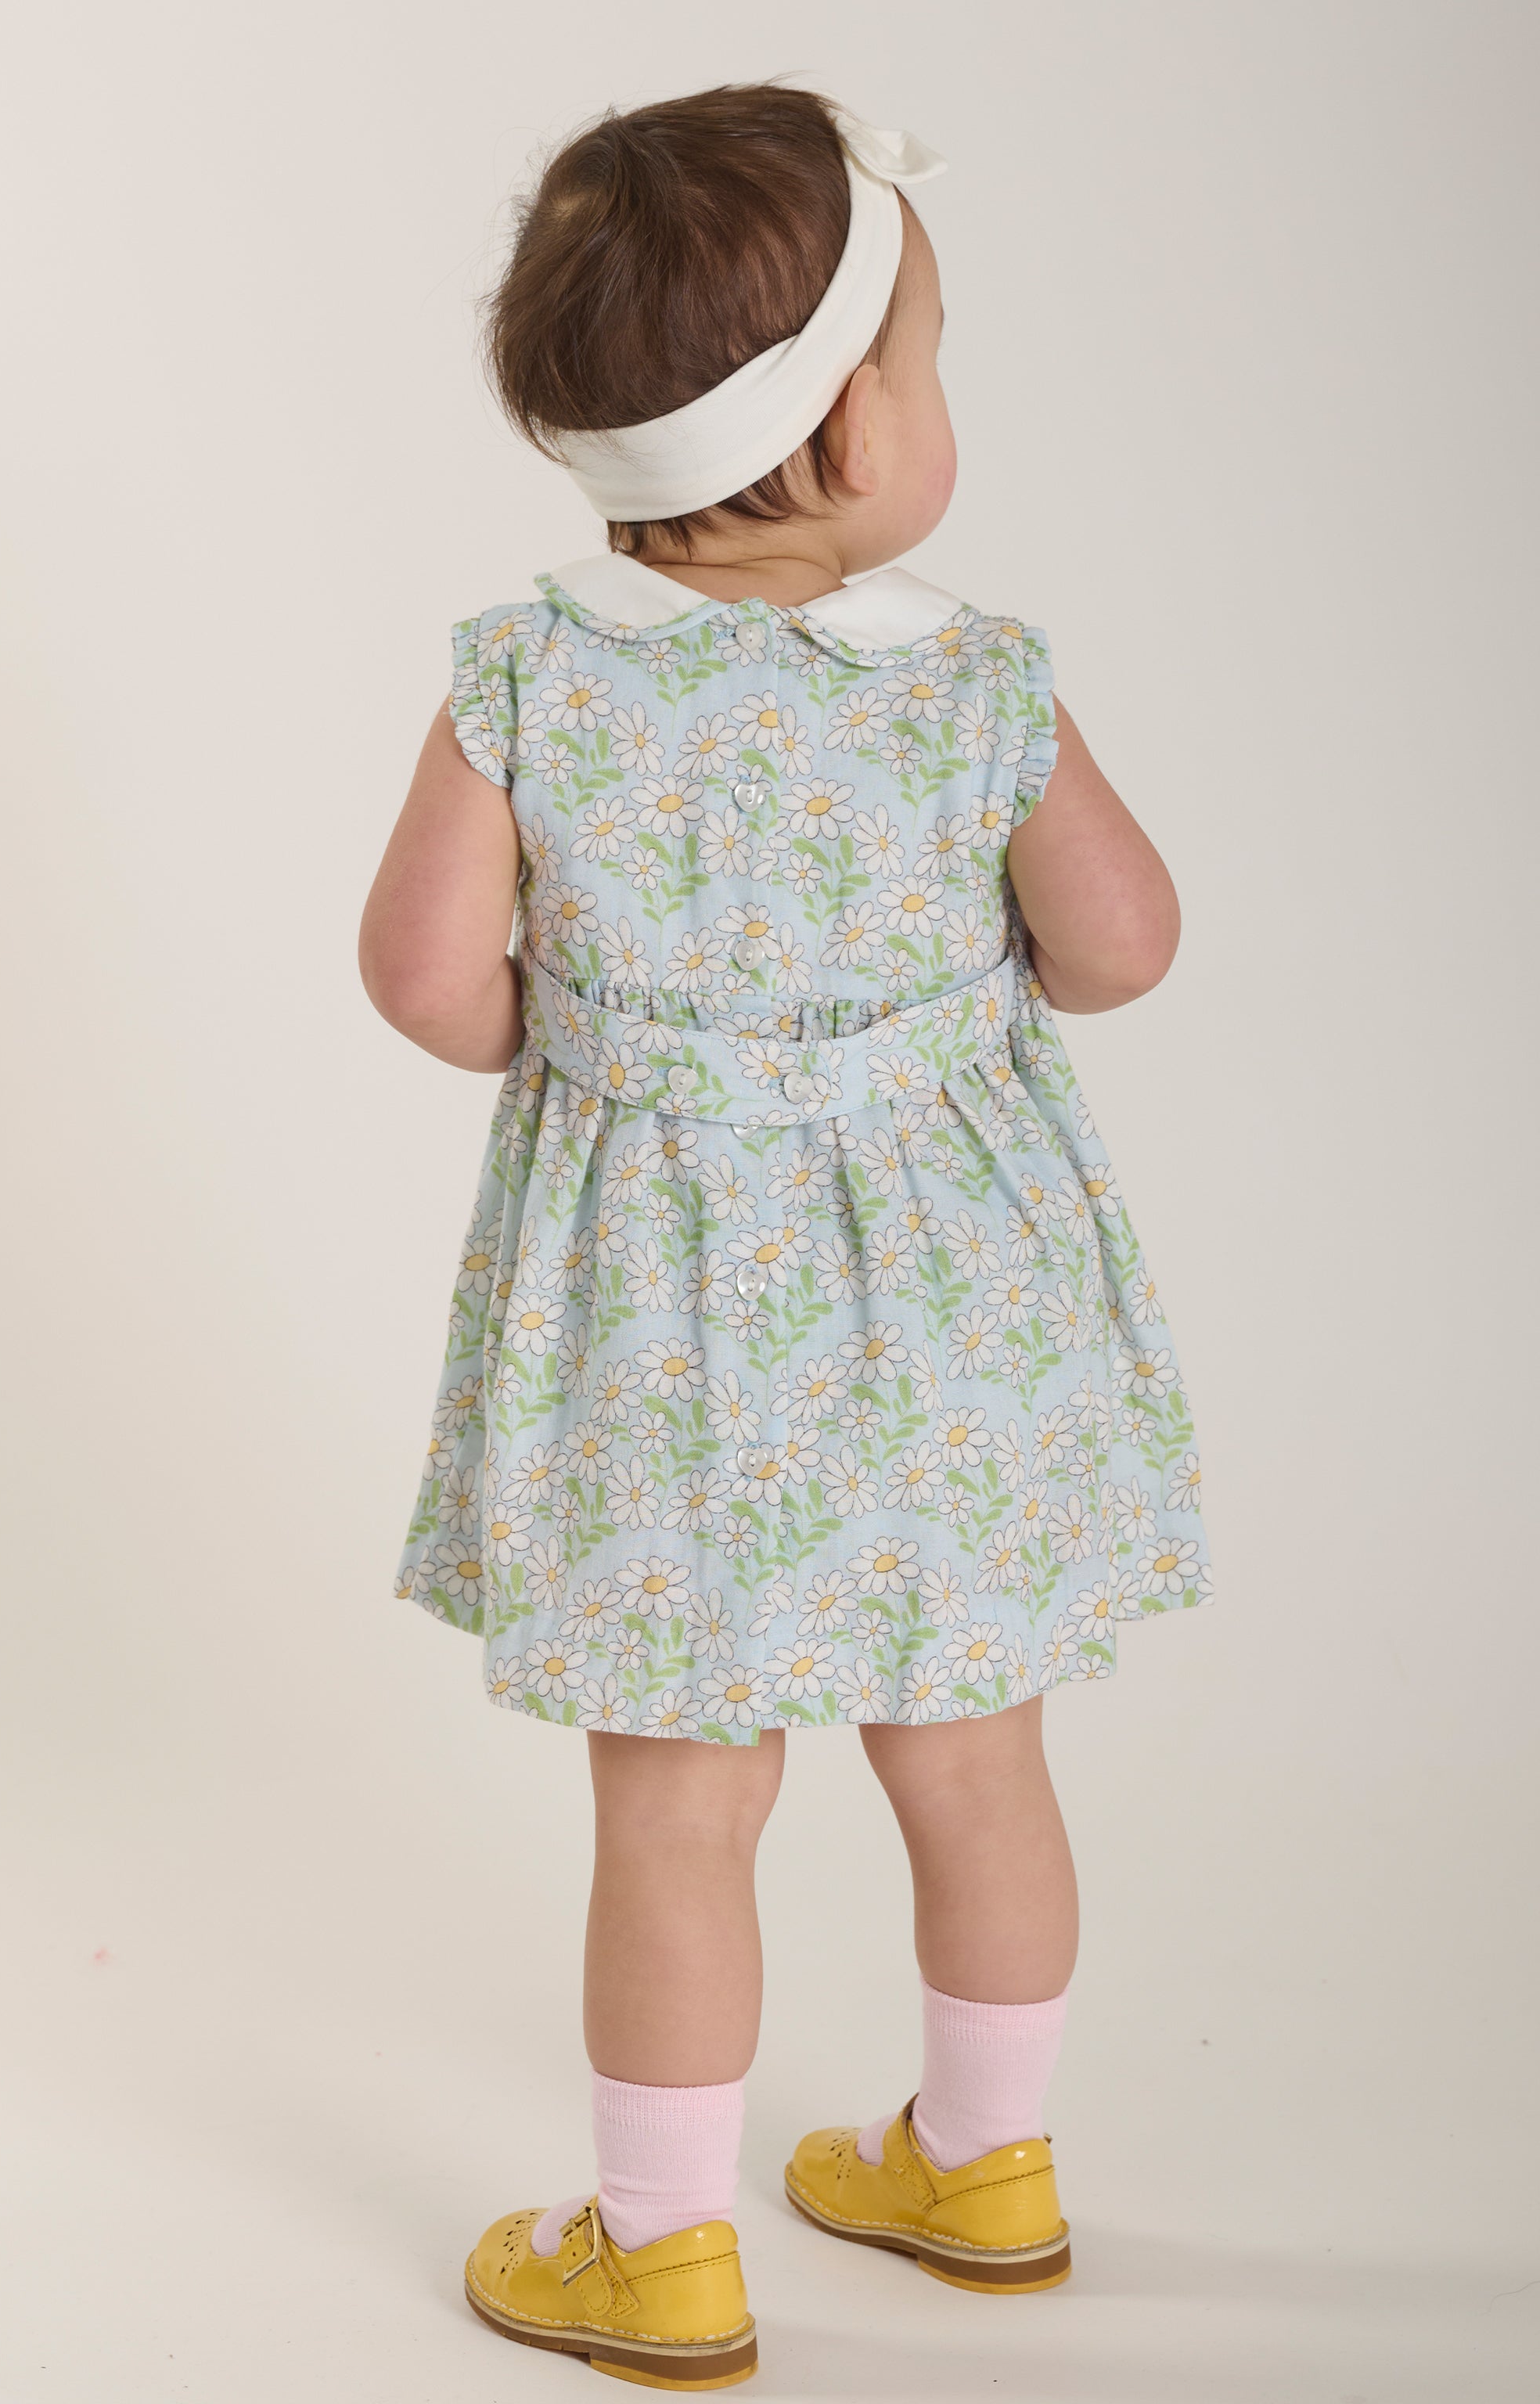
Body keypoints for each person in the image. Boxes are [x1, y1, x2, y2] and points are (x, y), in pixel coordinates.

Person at [361, 81, 1211, 2391]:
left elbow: (430, 985)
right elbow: (1125, 944)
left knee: (679, 1806)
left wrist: (609, 1032)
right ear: (848, 430)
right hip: (958, 1326)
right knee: (975, 1759)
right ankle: (987, 2162)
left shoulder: (525, 676)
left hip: (664, 1341)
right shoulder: (977, 680)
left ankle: (662, 2247)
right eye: (930, 361)